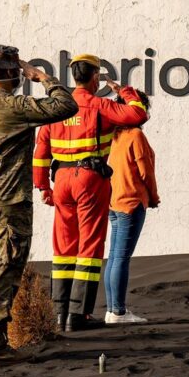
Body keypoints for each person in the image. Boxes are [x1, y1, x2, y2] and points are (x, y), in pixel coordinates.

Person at [0, 45, 78, 369]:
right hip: (10, 205)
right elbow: (66, 105)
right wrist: (42, 76)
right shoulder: (16, 107)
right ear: (14, 72)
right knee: (3, 274)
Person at [33, 54, 148, 332]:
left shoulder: (56, 108)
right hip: (90, 180)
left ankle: (59, 314)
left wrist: (43, 187)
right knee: (89, 247)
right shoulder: (100, 105)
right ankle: (78, 315)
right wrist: (124, 91)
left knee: (63, 248)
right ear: (95, 77)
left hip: (61, 181)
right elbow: (138, 113)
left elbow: (40, 153)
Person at [105, 90, 159, 324]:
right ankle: (118, 311)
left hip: (114, 201)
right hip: (132, 200)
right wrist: (154, 197)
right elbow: (146, 171)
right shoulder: (136, 135)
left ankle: (111, 309)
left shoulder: (114, 135)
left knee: (114, 256)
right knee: (121, 258)